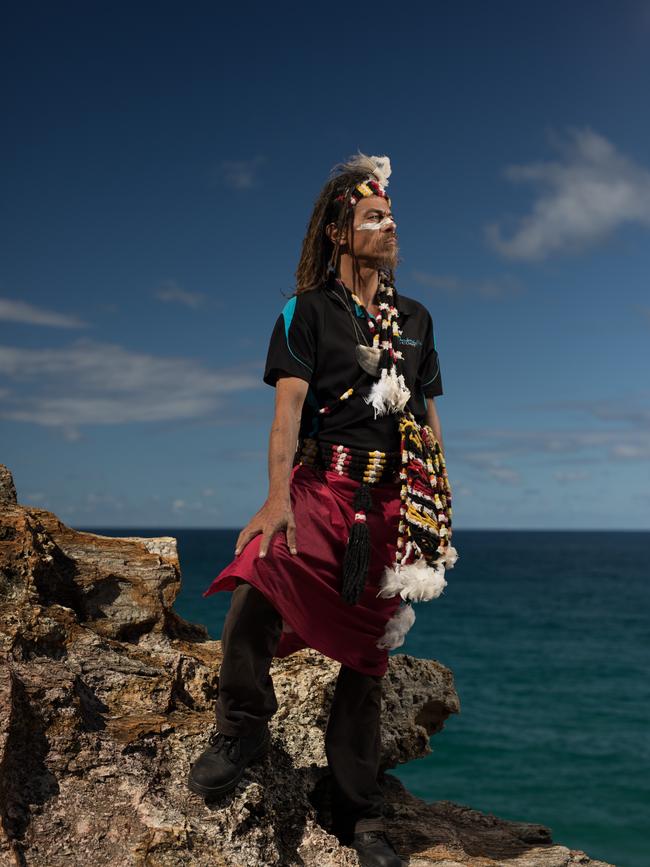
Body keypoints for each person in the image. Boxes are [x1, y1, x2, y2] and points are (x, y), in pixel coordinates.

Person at [187, 153, 457, 867]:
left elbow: (426, 427)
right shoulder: (303, 312)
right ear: (341, 229)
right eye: (375, 216)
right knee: (259, 575)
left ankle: (355, 807)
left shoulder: (418, 320)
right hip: (319, 488)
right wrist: (278, 497)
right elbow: (287, 413)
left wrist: (437, 515)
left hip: (393, 506)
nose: (389, 224)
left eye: (392, 214)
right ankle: (242, 727)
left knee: (368, 661)